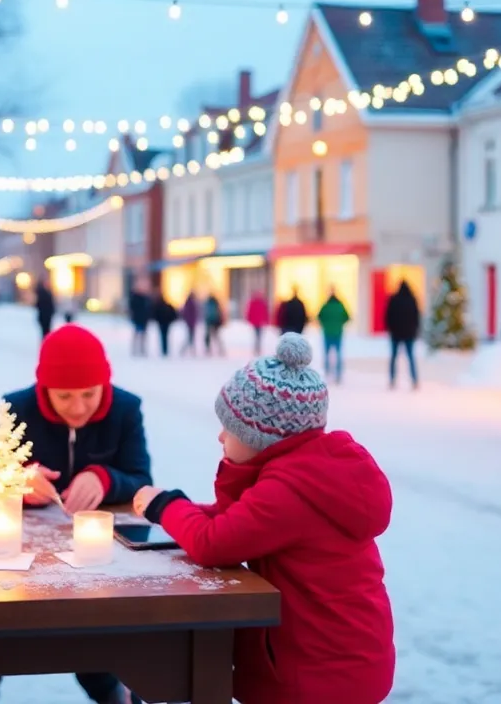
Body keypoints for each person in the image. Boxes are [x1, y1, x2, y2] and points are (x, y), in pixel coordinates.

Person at [132, 334, 395, 704]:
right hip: (350, 658)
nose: (221, 436)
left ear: (263, 437)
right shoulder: (312, 470)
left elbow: (214, 543)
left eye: (232, 428)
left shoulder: (290, 491)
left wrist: (165, 506)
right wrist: (186, 511)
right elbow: (240, 519)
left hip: (318, 672)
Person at [0, 324, 151, 704]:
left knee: (95, 646)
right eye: (64, 396)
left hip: (101, 561)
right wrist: (14, 481)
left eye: (89, 394)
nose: (78, 407)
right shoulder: (16, 408)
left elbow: (141, 479)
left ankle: (110, 688)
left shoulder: (126, 409)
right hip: (23, 559)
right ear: (44, 388)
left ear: (106, 385)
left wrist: (105, 479)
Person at [385, 281, 421, 390]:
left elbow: (388, 315)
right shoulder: (412, 299)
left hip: (396, 333)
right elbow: (416, 317)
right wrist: (415, 330)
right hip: (408, 333)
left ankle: (392, 379)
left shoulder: (394, 299)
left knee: (394, 357)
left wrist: (391, 329)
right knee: (410, 357)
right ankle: (414, 380)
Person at [316, 288, 351, 384]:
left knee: (327, 354)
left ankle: (327, 373)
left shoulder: (326, 306)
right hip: (338, 332)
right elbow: (347, 317)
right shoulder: (340, 306)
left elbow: (319, 316)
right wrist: (339, 324)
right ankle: (338, 374)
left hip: (327, 332)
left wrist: (325, 324)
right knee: (338, 354)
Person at [127, 279, 151, 357]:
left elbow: (148, 309)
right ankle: (135, 349)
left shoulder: (145, 298)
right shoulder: (135, 298)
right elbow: (132, 309)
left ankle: (142, 349)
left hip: (144, 320)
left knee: (143, 336)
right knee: (137, 334)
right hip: (138, 319)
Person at [151, 289, 177, 358]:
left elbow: (154, 314)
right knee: (165, 336)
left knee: (163, 336)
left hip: (163, 323)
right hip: (164, 323)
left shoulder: (160, 305)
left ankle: (164, 350)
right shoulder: (165, 306)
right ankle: (165, 350)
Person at [245, 290, 269, 355]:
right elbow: (250, 312)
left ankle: (257, 348)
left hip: (258, 322)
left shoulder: (259, 302)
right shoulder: (259, 302)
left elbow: (265, 312)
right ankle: (257, 348)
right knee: (258, 335)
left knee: (258, 335)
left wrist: (266, 320)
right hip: (257, 322)